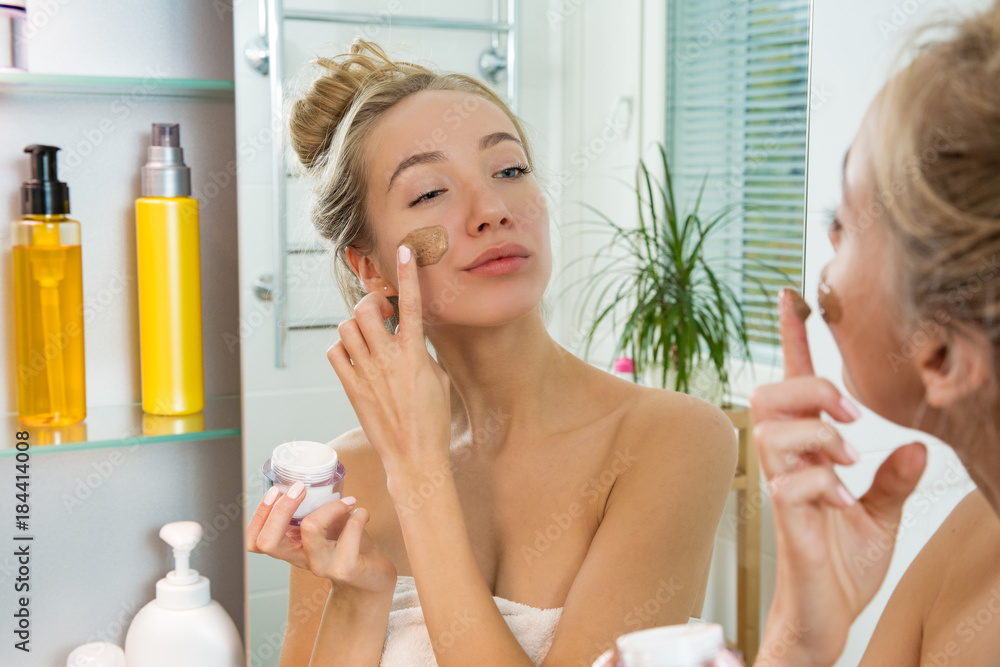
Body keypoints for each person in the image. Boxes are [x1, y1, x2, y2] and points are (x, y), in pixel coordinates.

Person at [245, 39, 738, 667]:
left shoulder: (672, 440)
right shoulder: (346, 476)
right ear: (370, 267)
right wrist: (359, 600)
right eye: (430, 193)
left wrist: (419, 476)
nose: (494, 211)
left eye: (509, 171)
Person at [750, 2, 1000, 665]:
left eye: (847, 215)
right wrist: (800, 635)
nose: (828, 239)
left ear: (942, 354)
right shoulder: (975, 537)